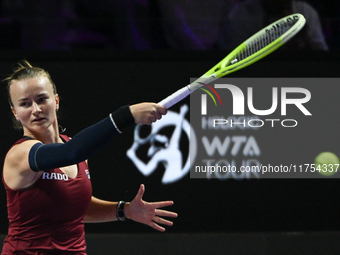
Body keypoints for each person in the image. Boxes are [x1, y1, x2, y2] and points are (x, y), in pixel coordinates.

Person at [1, 61, 178, 254]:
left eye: (42, 99)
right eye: (25, 104)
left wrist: (125, 210)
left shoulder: (73, 148)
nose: (35, 109)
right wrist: (125, 116)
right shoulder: (20, 155)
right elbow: (71, 153)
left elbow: (76, 208)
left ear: (56, 101)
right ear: (15, 113)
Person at [218, 0, 329, 51]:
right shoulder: (242, 13)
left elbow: (321, 54)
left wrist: (302, 37)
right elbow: (234, 55)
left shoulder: (305, 11)